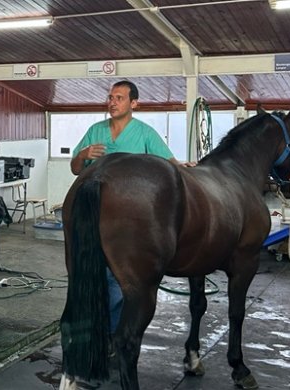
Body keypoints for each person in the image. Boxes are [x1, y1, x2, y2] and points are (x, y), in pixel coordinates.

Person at [69, 80, 181, 334]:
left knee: (119, 277)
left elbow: (170, 164)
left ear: (134, 103)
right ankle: (99, 330)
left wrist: (190, 170)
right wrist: (83, 155)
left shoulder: (144, 133)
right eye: (110, 97)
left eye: (119, 98)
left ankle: (110, 333)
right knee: (93, 274)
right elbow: (76, 169)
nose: (112, 102)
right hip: (95, 216)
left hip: (131, 221)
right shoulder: (95, 131)